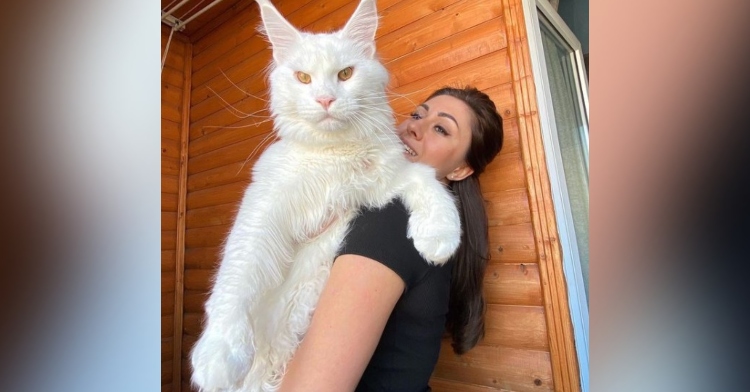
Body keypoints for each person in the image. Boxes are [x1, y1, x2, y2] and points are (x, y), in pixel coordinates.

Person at [279, 86, 504, 392]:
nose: (413, 127)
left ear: (462, 169)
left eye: (440, 128)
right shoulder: (416, 225)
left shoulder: (395, 218)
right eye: (416, 115)